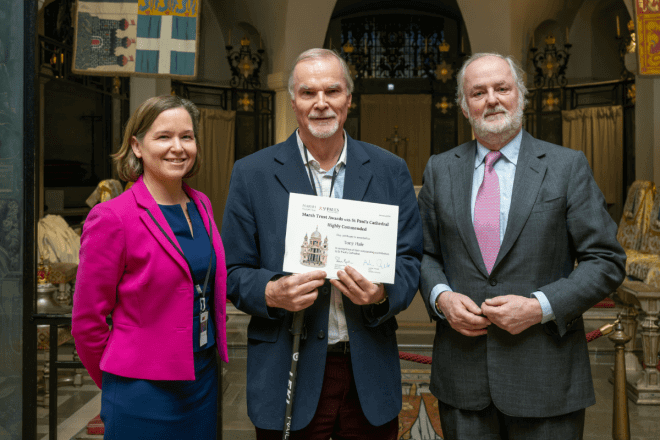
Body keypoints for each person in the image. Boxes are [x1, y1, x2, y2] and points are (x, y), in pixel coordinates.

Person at [417, 53, 627, 440]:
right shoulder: (439, 169)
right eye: (478, 92)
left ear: (521, 97)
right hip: (464, 380)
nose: (491, 99)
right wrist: (442, 297)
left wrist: (539, 307)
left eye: (502, 88)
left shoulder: (567, 167)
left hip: (546, 379)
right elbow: (425, 254)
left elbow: (606, 260)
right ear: (465, 107)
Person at [221, 48, 423, 439]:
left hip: (367, 367)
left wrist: (382, 293)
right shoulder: (252, 173)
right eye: (308, 92)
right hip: (287, 364)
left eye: (332, 90)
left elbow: (410, 258)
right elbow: (232, 271)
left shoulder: (389, 170)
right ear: (293, 100)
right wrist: (271, 291)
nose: (321, 103)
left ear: (349, 98)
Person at [72, 95, 228, 439]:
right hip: (142, 391)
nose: (178, 147)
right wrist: (121, 381)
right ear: (137, 146)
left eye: (187, 137)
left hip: (202, 380)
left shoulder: (201, 204)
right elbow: (87, 325)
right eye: (163, 137)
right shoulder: (112, 217)